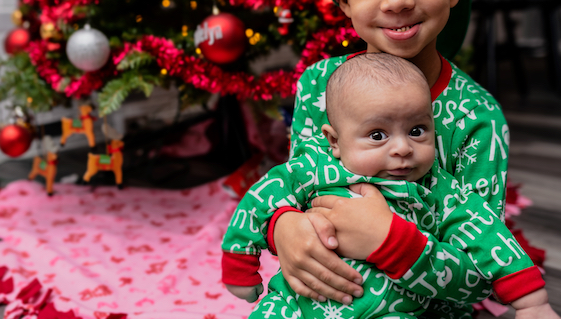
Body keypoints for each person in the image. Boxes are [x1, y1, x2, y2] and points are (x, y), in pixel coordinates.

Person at [267, 0, 550, 318]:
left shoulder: (478, 118)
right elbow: (296, 187)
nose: (397, 0)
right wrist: (284, 227)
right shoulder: (318, 85)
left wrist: (389, 240)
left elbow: (479, 277)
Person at [221, 53, 556, 318]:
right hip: (302, 301)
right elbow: (261, 198)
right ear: (335, 141)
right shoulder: (314, 168)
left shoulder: (438, 188)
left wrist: (532, 302)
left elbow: (487, 234)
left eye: (417, 130)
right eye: (378, 135)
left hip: (394, 309)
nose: (402, 148)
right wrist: (240, 264)